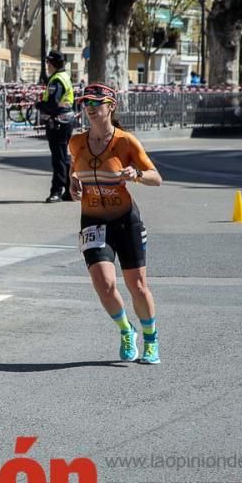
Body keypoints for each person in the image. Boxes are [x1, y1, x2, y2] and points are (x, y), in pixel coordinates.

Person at [68, 83, 164, 364]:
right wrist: (73, 183)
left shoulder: (125, 142)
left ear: (111, 106)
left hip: (125, 221)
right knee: (104, 284)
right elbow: (75, 171)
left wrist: (136, 174)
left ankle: (151, 339)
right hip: (93, 221)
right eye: (86, 103)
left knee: (137, 285)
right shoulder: (76, 142)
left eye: (96, 102)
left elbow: (156, 177)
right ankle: (126, 330)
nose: (90, 107)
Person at [36, 49, 76, 202]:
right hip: (64, 121)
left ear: (52, 63)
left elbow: (53, 105)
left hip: (59, 122)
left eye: (48, 62)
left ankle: (56, 191)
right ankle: (69, 189)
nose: (47, 65)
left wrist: (39, 105)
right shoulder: (63, 76)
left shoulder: (57, 80)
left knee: (58, 158)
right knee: (62, 157)